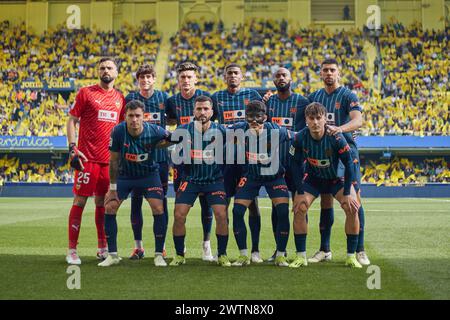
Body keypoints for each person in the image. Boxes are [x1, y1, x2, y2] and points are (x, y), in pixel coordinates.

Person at [308, 58, 370, 265]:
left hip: (345, 153)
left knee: (353, 199)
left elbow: (358, 120)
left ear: (338, 73)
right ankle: (325, 249)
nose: (328, 73)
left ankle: (359, 250)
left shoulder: (347, 95)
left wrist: (339, 129)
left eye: (332, 70)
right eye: (325, 70)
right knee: (326, 199)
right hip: (322, 152)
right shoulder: (315, 97)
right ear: (320, 73)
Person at [65, 57, 125, 265]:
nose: (105, 71)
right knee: (80, 201)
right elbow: (72, 119)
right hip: (87, 158)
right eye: (102, 68)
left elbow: (122, 129)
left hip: (109, 162)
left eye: (109, 67)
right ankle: (72, 250)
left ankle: (102, 247)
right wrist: (73, 148)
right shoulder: (86, 93)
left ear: (117, 72)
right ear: (98, 72)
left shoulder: (120, 98)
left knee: (103, 203)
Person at [98, 100, 172, 267]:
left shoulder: (154, 130)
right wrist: (112, 188)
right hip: (125, 175)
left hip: (149, 175)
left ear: (143, 117)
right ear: (125, 116)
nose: (134, 119)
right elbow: (114, 161)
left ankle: (159, 254)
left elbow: (173, 138)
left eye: (137, 115)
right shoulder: (118, 131)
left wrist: (162, 145)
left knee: (158, 207)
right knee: (110, 206)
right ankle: (113, 255)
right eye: (130, 116)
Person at [289, 102, 362, 268]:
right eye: (311, 118)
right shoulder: (300, 137)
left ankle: (351, 256)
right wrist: (299, 191)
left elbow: (349, 163)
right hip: (314, 178)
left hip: (335, 179)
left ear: (325, 119)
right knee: (300, 207)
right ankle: (301, 256)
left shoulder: (336, 136)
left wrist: (348, 191)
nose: (315, 122)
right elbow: (294, 164)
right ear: (306, 120)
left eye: (318, 118)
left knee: (351, 207)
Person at [169, 95, 231, 267]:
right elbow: (175, 158)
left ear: (211, 111)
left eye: (206, 109)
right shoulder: (183, 130)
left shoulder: (222, 131)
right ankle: (180, 255)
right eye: (199, 109)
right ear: (193, 111)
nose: (202, 112)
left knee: (221, 214)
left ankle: (222, 255)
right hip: (191, 179)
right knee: (179, 215)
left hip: (214, 179)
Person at [212, 63, 264, 263]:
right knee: (222, 204)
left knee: (252, 205)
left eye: (236, 73)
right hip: (225, 160)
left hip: (247, 160)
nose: (233, 76)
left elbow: (263, 117)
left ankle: (255, 251)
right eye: (229, 73)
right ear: (224, 77)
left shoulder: (252, 95)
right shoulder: (217, 97)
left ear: (242, 76)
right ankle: (221, 251)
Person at [229, 100, 291, 267]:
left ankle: (280, 255)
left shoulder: (277, 130)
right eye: (250, 117)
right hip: (252, 176)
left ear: (266, 117)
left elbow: (300, 136)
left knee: (283, 211)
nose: (254, 121)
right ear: (245, 117)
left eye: (258, 117)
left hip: (274, 177)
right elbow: (218, 131)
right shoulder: (238, 128)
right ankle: (243, 255)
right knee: (236, 211)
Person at [166, 62, 214, 261]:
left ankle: (206, 244)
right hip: (183, 160)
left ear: (196, 78)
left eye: (189, 77)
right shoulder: (171, 101)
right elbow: (170, 124)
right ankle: (180, 245)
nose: (185, 80)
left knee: (207, 204)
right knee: (180, 202)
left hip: (205, 157)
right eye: (182, 77)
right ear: (178, 80)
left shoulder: (206, 98)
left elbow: (213, 123)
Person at [125, 64, 170, 260]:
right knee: (136, 202)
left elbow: (174, 119)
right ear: (138, 80)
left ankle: (162, 246)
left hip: (160, 160)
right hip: (136, 161)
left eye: (148, 77)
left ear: (154, 78)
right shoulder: (130, 100)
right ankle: (138, 247)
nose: (145, 80)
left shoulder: (164, 98)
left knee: (161, 203)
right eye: (141, 77)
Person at [266, 67, 310, 262]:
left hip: (298, 164)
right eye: (277, 76)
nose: (281, 78)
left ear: (291, 79)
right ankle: (279, 250)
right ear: (274, 80)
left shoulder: (303, 102)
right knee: (278, 208)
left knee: (300, 206)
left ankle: (302, 251)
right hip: (276, 164)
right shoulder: (268, 103)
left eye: (284, 75)